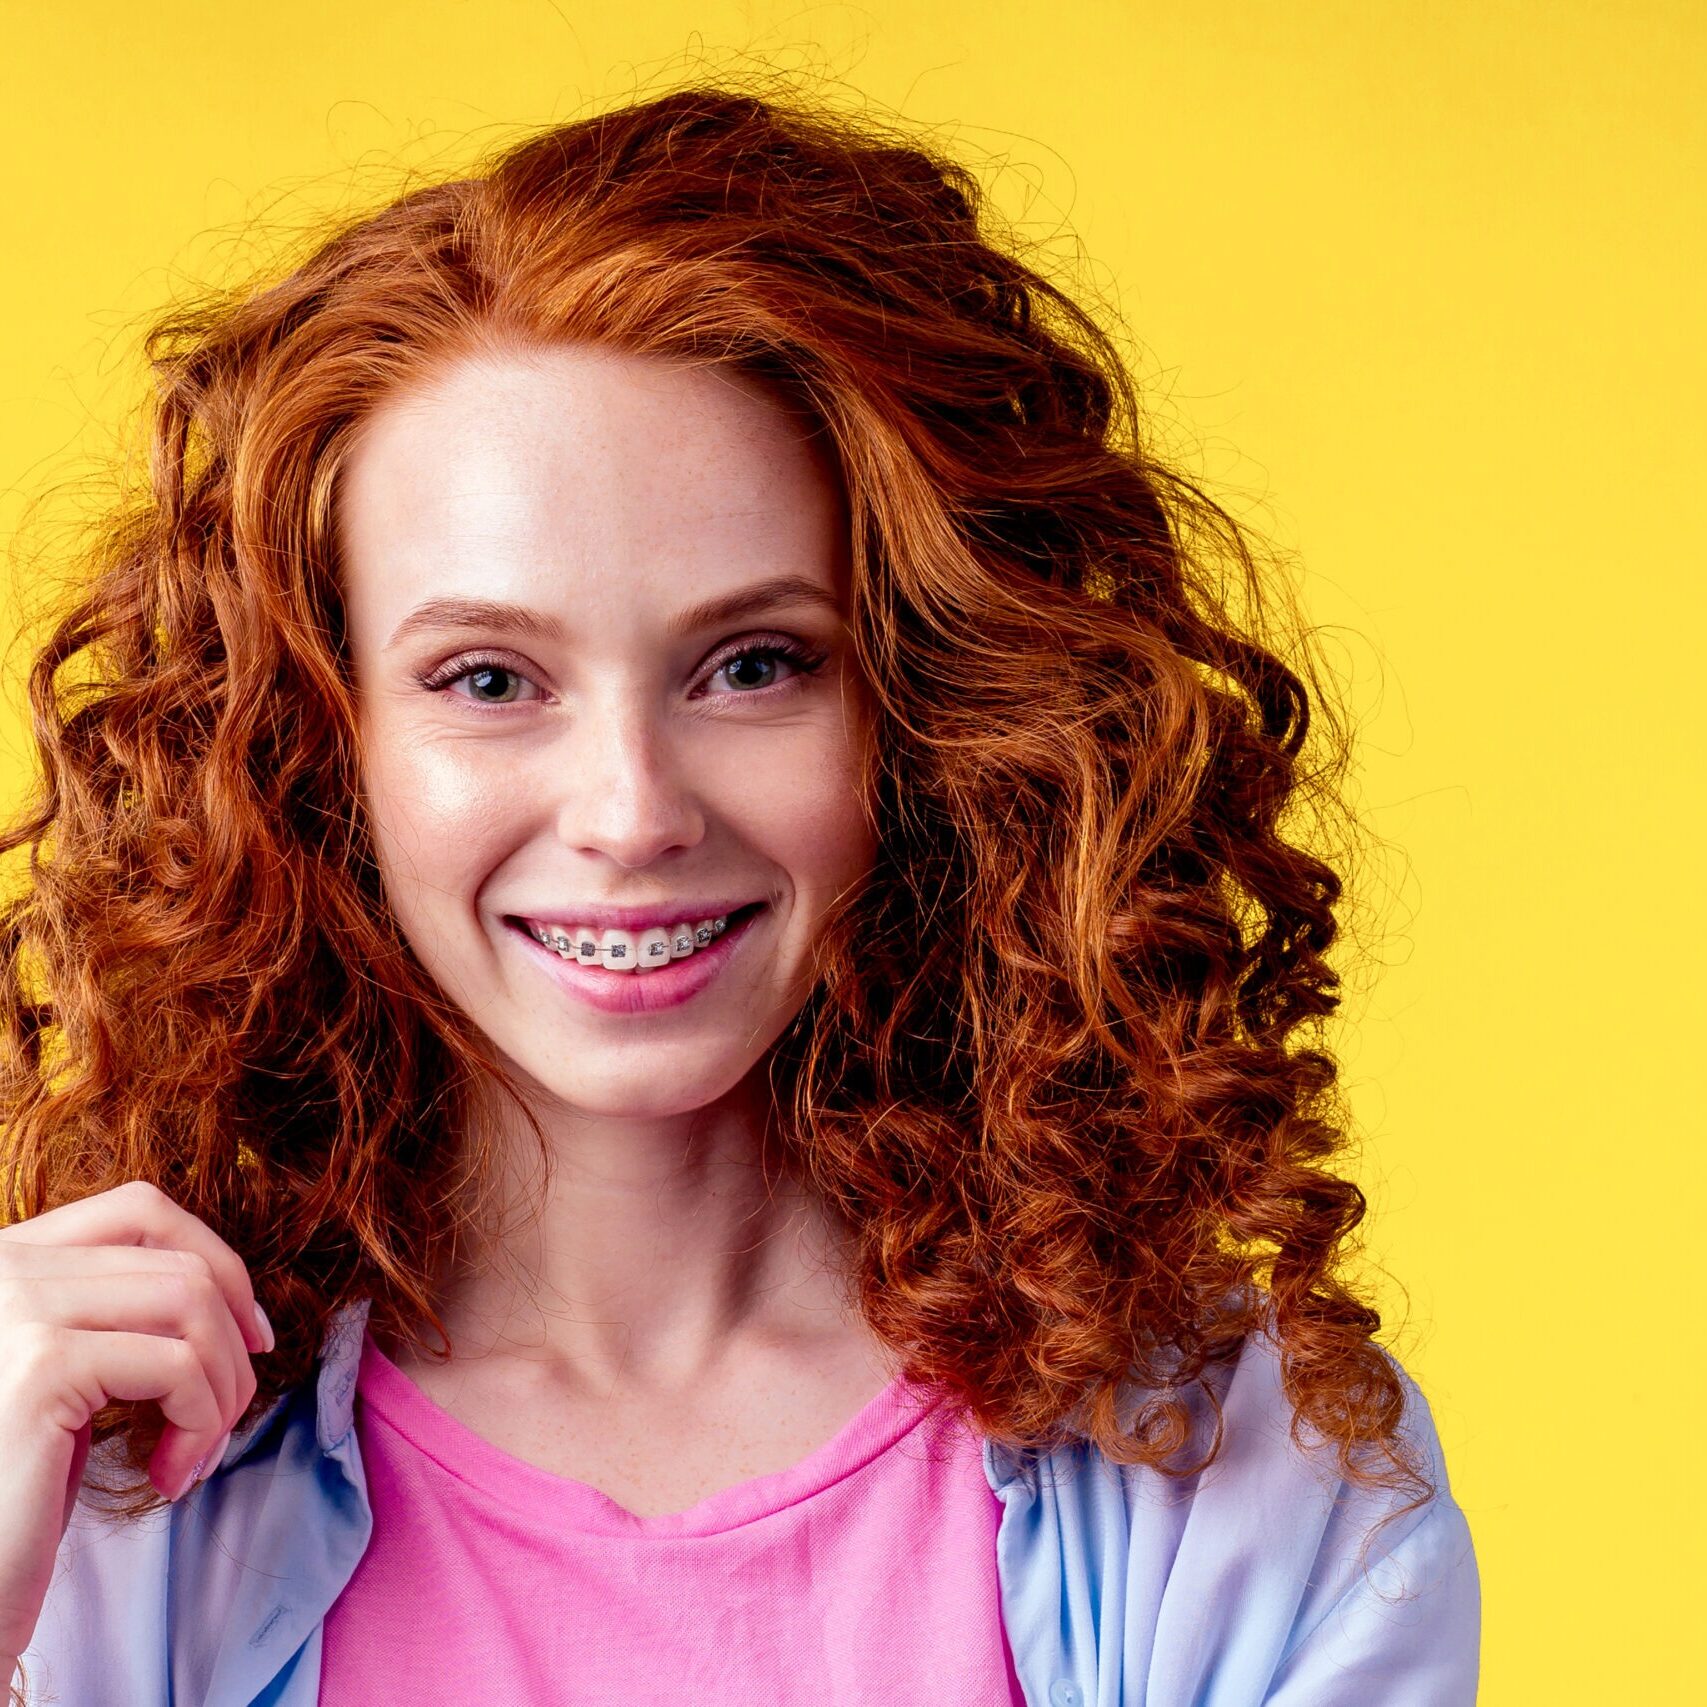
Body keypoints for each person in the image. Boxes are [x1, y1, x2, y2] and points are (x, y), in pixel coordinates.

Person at [0, 85, 1480, 1705]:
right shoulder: (101, 1481)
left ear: (929, 716)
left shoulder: (1243, 1475)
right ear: (317, 741)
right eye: (489, 678)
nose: (632, 811)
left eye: (754, 664)